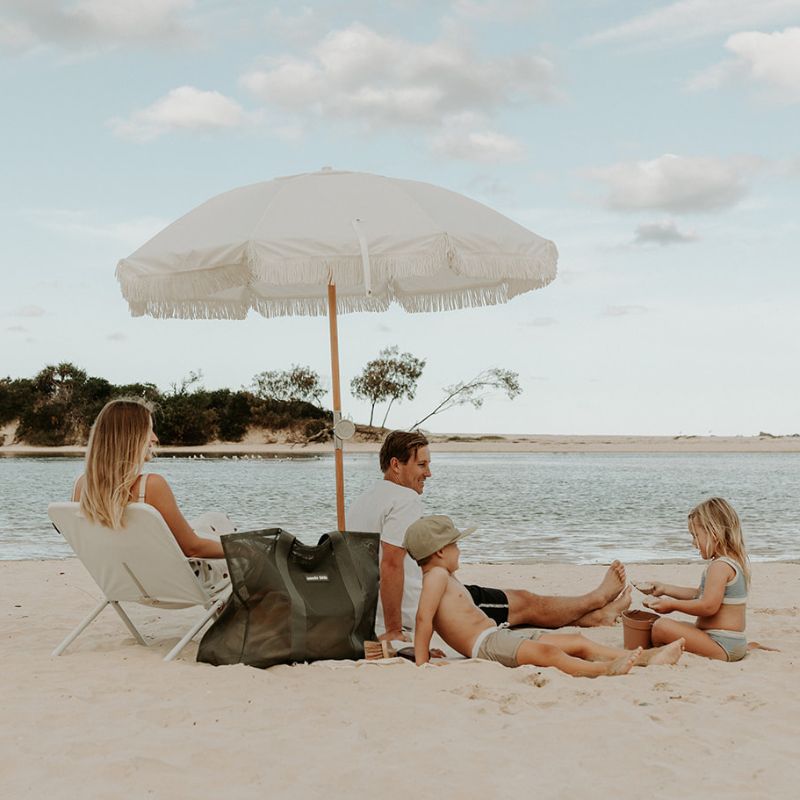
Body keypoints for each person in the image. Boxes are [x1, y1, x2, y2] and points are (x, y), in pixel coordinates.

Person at [346, 430, 631, 641]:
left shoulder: (364, 499)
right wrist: (395, 630)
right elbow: (391, 564)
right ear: (396, 465)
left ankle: (597, 617)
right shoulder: (404, 498)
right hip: (427, 605)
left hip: (382, 611)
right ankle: (595, 599)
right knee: (527, 603)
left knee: (517, 610)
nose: (428, 473)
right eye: (421, 465)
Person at [407, 515, 684, 675]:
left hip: (499, 635)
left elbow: (444, 618)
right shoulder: (437, 576)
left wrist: (427, 650)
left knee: (574, 640)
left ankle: (648, 658)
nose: (460, 551)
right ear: (440, 551)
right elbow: (424, 618)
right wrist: (422, 660)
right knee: (547, 653)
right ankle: (603, 670)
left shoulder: (444, 576)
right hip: (487, 645)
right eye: (456, 545)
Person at [72, 398, 231, 592]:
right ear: (131, 438)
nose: (155, 438)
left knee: (214, 520)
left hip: (122, 582)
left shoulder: (81, 487)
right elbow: (192, 549)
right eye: (149, 431)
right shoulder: (151, 485)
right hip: (171, 583)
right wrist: (246, 550)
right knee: (239, 547)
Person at [639, 497, 750, 662]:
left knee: (660, 627)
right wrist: (665, 589)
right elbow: (699, 594)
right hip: (726, 640)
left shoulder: (719, 566)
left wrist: (672, 605)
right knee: (672, 626)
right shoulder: (728, 562)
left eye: (695, 536)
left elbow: (708, 606)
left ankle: (659, 654)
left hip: (722, 643)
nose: (694, 543)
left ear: (714, 533)